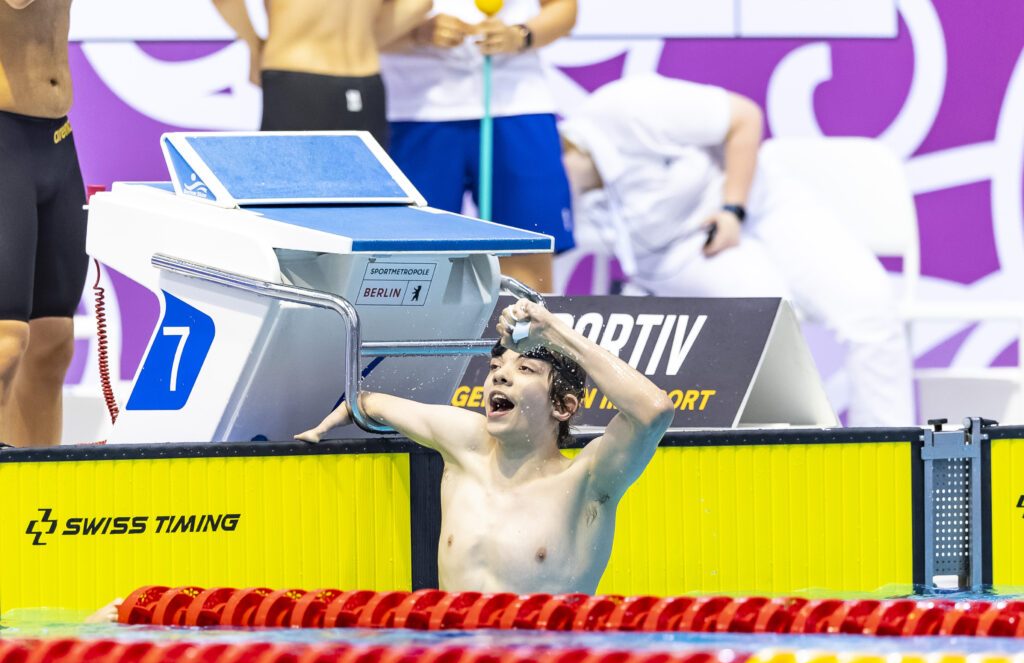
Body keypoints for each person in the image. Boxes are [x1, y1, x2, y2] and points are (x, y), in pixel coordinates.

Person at [559, 73, 915, 428]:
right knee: (770, 320)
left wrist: (733, 209)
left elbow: (745, 117)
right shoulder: (560, 202)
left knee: (870, 306)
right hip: (683, 254)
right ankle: (805, 447)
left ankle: (894, 446)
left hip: (759, 204)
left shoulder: (624, 109)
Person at [297, 298, 674, 593]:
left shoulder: (587, 481)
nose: (501, 376)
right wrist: (346, 410)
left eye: (525, 369)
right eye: (495, 367)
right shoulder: (465, 447)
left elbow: (654, 410)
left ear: (562, 406)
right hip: (459, 659)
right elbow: (373, 402)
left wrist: (554, 332)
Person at [380, 0, 577, 292]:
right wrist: (415, 32)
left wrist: (521, 35)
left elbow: (564, 7)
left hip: (517, 102)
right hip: (416, 108)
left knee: (526, 268)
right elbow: (359, 25)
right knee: (412, 270)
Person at [0, 0, 89, 447]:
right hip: (4, 140)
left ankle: (36, 484)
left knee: (53, 343)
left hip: (55, 137)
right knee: (5, 344)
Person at [212, 0, 432, 147]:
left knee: (286, 195)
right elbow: (418, 4)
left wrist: (255, 47)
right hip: (366, 81)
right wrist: (365, 38)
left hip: (298, 75)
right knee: (366, 196)